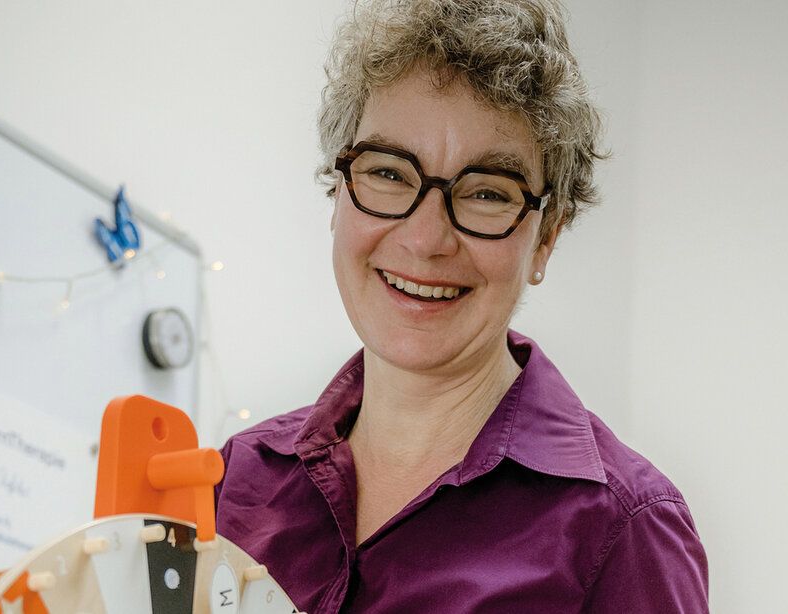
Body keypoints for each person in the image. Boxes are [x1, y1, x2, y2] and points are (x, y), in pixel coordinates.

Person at [215, 0, 708, 612]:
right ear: (338, 191)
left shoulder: (624, 529)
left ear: (546, 237)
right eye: (390, 174)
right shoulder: (235, 480)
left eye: (485, 193)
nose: (425, 240)